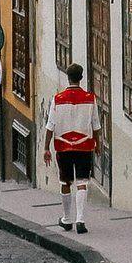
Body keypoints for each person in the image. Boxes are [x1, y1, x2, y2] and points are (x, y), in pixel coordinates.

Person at [43, 63, 100, 234]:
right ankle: (80, 220)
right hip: (84, 145)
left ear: (67, 78)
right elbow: (95, 125)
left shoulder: (58, 99)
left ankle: (67, 219)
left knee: (65, 182)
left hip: (63, 145)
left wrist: (46, 148)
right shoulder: (90, 98)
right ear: (81, 78)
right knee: (82, 182)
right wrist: (96, 143)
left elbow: (50, 126)